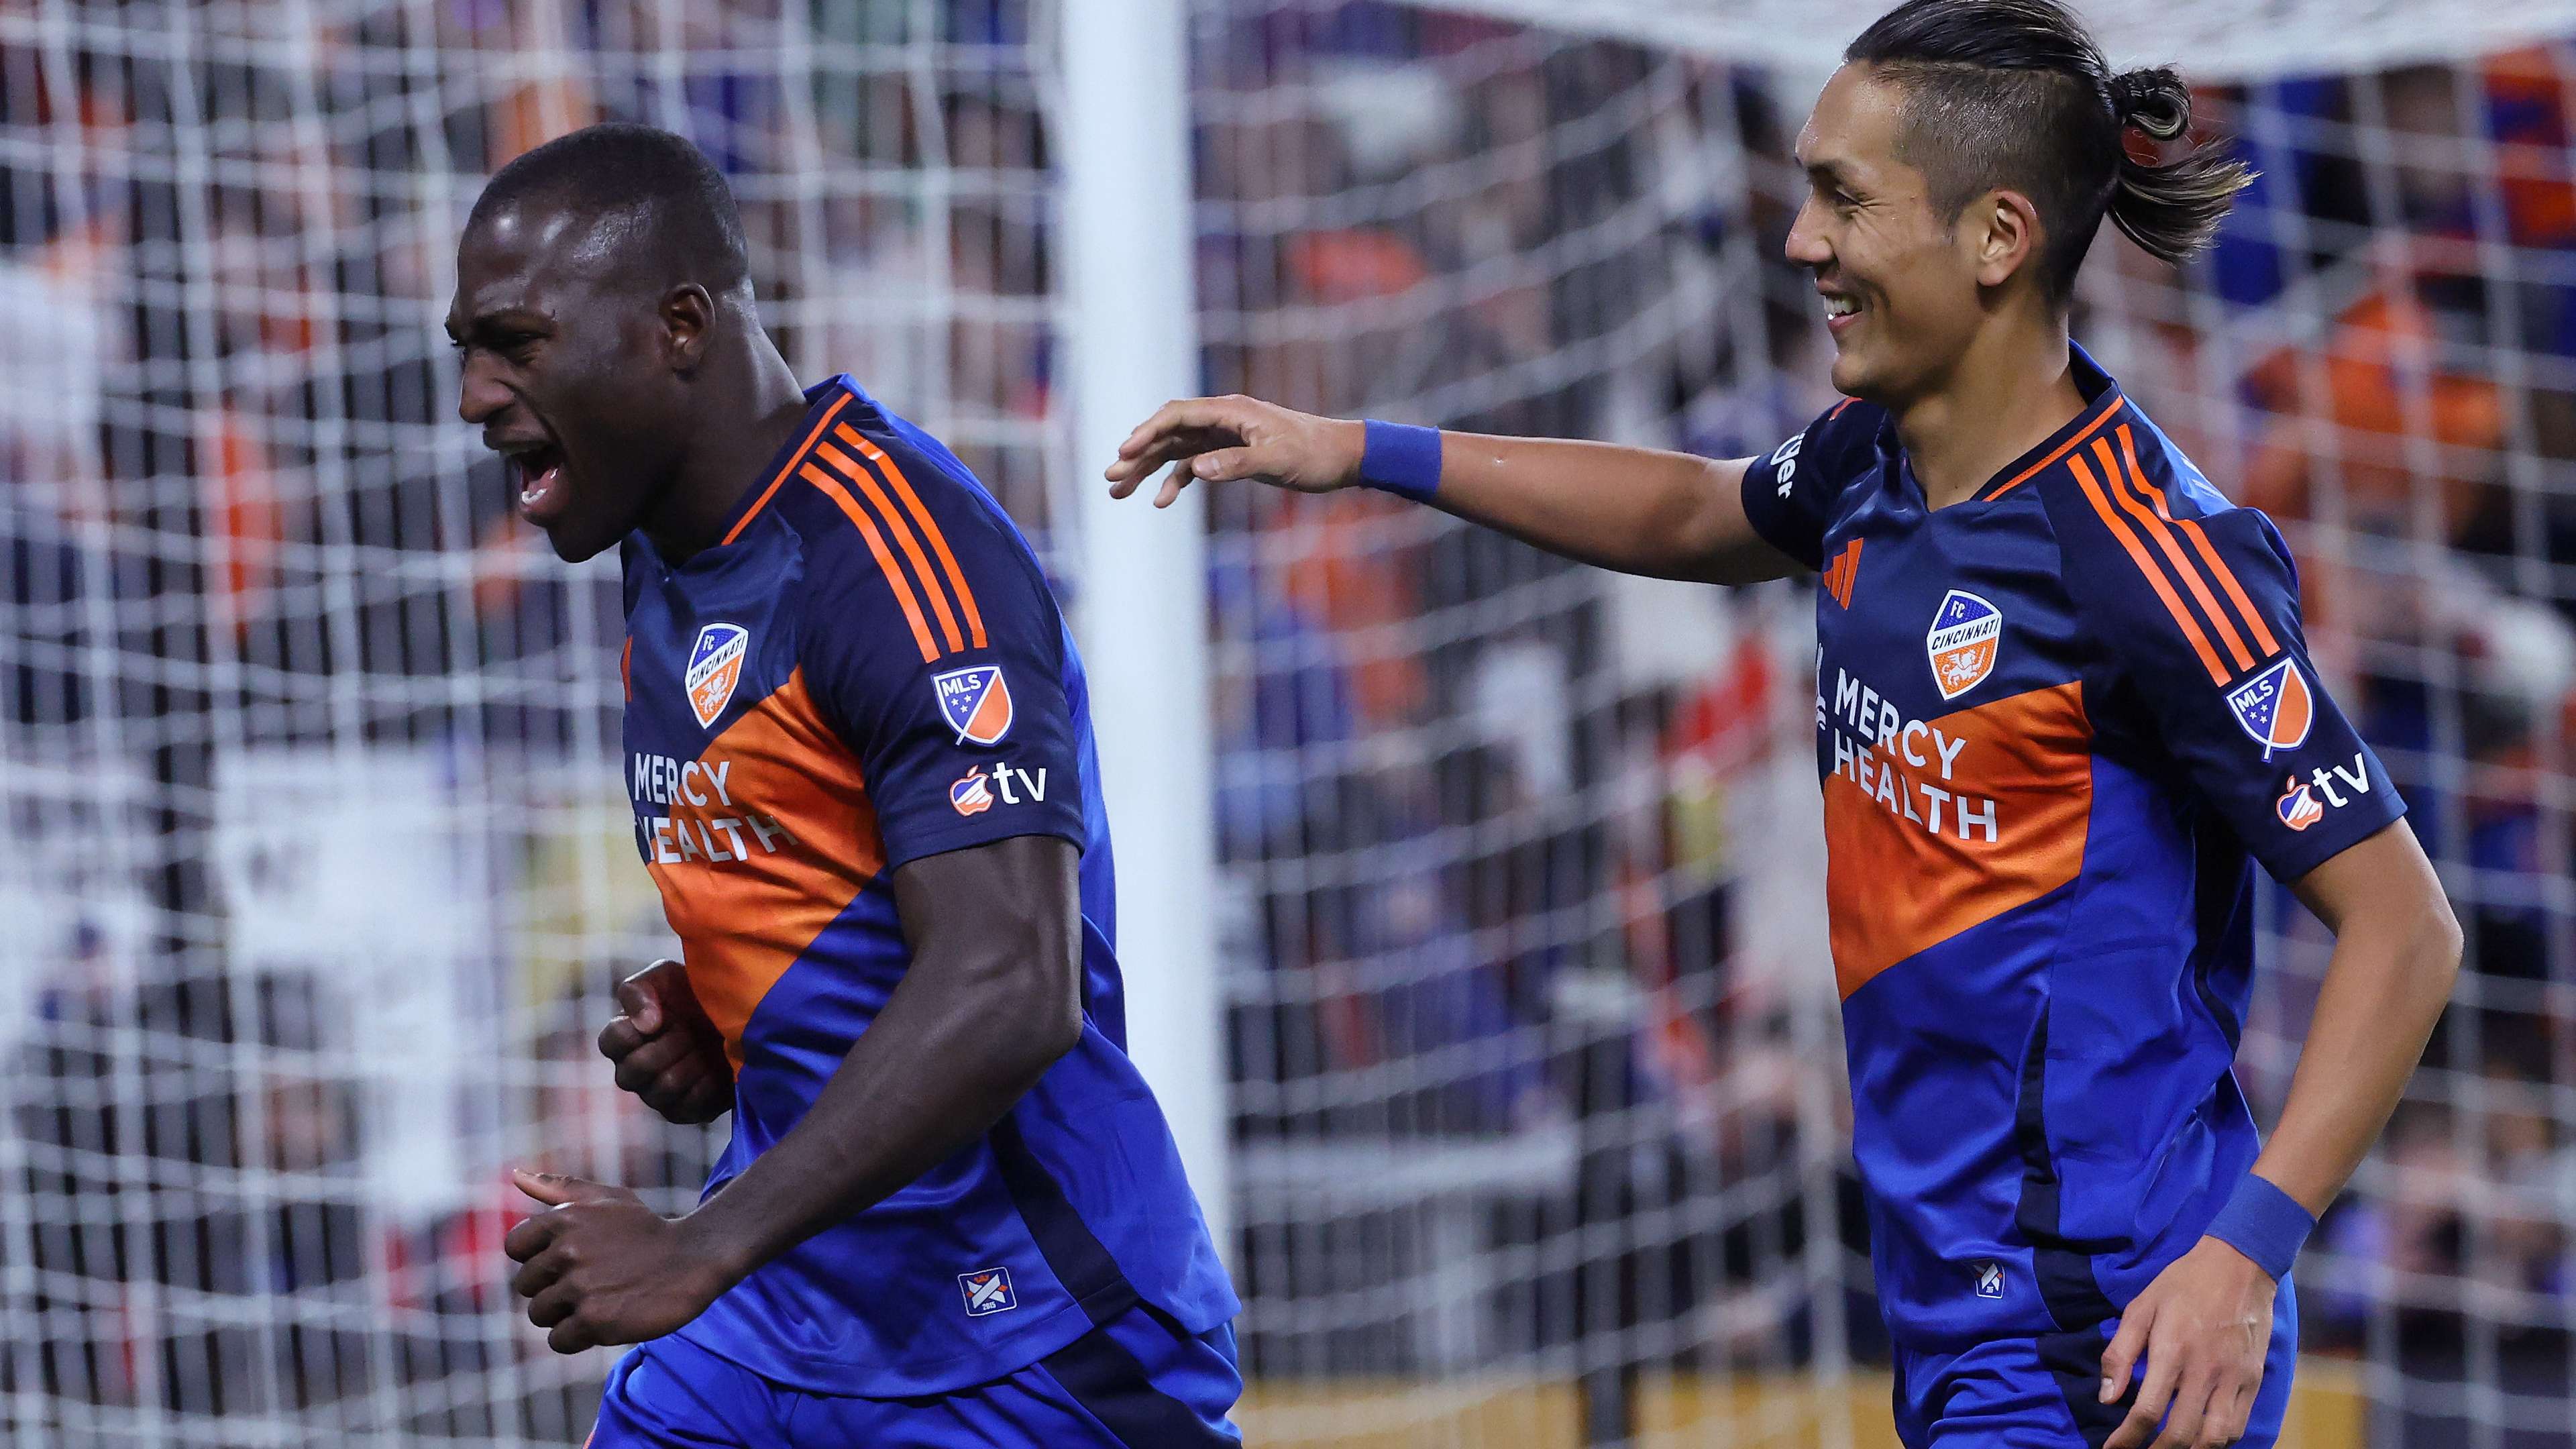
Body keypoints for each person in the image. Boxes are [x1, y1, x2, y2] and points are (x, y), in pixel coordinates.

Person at [1104, 3, 2463, 1446]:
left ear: (1998, 239)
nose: (1804, 240)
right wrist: (1357, 452)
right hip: (1957, 1305)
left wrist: (2246, 1252)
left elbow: (2405, 925)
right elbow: (1697, 504)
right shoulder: (1871, 463)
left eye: (1845, 198)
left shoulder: (2148, 557)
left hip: (2106, 1319)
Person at [447, 123, 1240, 1446]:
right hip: (777, 1327)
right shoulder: (662, 549)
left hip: (1023, 1332)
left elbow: (1007, 985)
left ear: (680, 326)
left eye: (514, 344)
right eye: (465, 349)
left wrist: (698, 1248)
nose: (475, 395)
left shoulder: (900, 555)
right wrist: (735, 995)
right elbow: (840, 858)